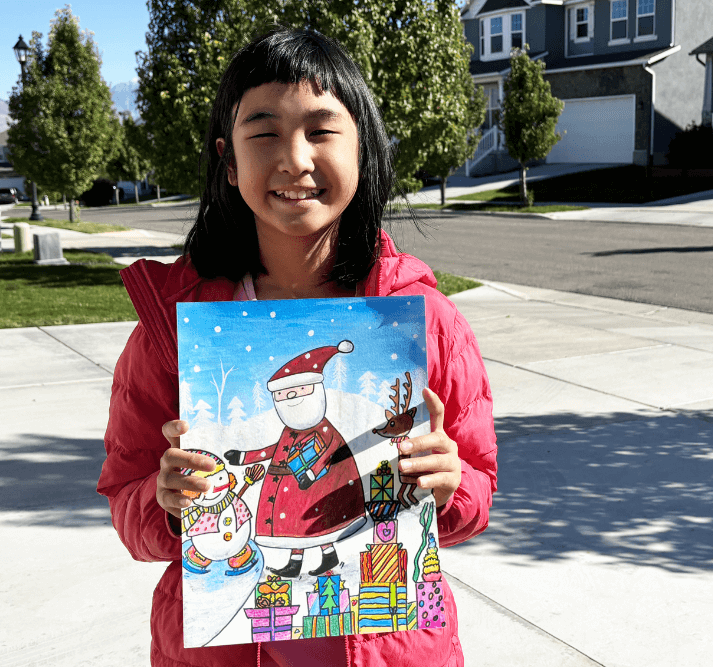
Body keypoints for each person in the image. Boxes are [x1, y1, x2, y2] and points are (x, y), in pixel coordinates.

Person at [97, 27, 498, 667]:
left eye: (320, 129)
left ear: (363, 149)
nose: (294, 159)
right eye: (264, 133)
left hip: (388, 643)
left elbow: (474, 491)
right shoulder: (173, 336)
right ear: (229, 162)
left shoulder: (424, 323)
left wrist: (451, 485)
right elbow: (127, 501)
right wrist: (164, 502)